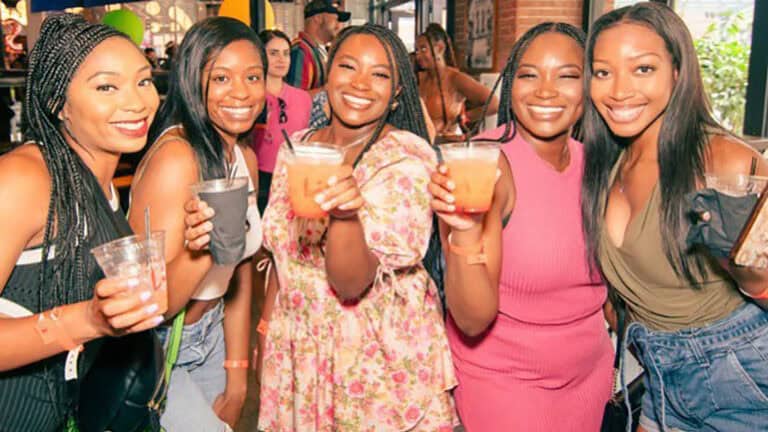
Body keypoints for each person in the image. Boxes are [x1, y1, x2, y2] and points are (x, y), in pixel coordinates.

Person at [258, 24, 457, 430]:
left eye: (380, 74)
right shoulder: (298, 147)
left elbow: (351, 284)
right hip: (299, 352)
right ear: (327, 76)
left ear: (397, 92)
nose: (361, 83)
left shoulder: (404, 159)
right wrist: (266, 334)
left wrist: (346, 216)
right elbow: (281, 257)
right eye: (348, 67)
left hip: (373, 367)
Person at [582, 3, 768, 431]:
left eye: (642, 69)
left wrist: (751, 275)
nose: (618, 90)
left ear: (678, 73)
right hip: (661, 371)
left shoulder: (723, 161)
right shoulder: (609, 162)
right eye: (603, 72)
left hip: (739, 373)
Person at [429, 23, 613, 431]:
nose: (545, 91)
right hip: (505, 382)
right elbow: (473, 320)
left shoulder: (598, 164)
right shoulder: (486, 166)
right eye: (529, 75)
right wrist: (464, 231)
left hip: (589, 377)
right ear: (511, 84)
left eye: (567, 76)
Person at [0, 13, 165, 431]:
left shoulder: (101, 181)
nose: (137, 101)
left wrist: (204, 247)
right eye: (106, 86)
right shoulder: (25, 179)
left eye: (143, 80)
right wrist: (88, 320)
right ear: (59, 103)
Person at [129, 17, 266, 431]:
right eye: (221, 77)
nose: (241, 92)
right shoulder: (177, 159)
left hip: (213, 335)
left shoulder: (244, 159)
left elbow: (239, 272)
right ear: (192, 80)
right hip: (163, 346)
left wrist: (238, 374)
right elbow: (144, 307)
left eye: (253, 76)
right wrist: (203, 248)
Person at [252, 29, 312, 214]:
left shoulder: (303, 98)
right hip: (259, 179)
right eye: (274, 53)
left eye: (286, 54)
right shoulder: (251, 95)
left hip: (293, 177)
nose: (282, 59)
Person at [416, 23, 498, 139]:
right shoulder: (419, 78)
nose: (418, 55)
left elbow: (494, 104)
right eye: (417, 50)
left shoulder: (455, 79)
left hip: (445, 146)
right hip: (420, 145)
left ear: (439, 48)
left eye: (423, 49)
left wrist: (463, 117)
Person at [286, 0, 350, 91]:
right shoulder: (300, 52)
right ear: (318, 18)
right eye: (337, 19)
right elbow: (295, 99)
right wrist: (329, 90)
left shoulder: (321, 51)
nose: (340, 25)